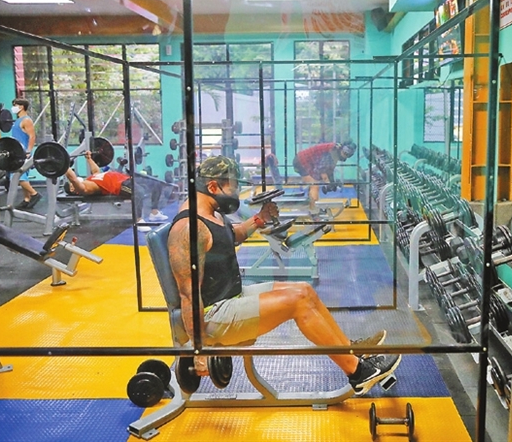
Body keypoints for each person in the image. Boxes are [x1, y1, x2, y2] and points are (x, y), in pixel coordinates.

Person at [168, 155, 400, 396]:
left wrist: (259, 219)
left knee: (304, 291)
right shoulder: (189, 228)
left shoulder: (209, 213)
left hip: (231, 297)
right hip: (213, 316)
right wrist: (199, 349)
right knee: (298, 303)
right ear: (213, 187)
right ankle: (358, 373)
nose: (235, 193)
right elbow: (188, 295)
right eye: (233, 187)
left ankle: (348, 348)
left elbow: (231, 235)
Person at [63, 152, 169, 232]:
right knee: (139, 192)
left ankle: (154, 213)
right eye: (71, 184)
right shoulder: (84, 188)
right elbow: (73, 179)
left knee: (157, 184)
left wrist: (89, 159)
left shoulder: (90, 179)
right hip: (120, 186)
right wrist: (64, 165)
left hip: (125, 178)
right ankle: (138, 220)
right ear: (73, 189)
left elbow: (96, 171)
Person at [292, 140, 356, 213]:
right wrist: (328, 183)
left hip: (302, 160)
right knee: (314, 186)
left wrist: (332, 183)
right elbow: (323, 171)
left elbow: (329, 169)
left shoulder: (336, 149)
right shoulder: (332, 152)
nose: (345, 156)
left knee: (313, 185)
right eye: (345, 154)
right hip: (301, 161)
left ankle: (310, 206)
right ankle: (314, 211)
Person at [9, 98, 42, 209]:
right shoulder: (18, 120)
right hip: (16, 151)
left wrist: (28, 151)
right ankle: (27, 199)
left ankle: (34, 194)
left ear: (21, 106)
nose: (13, 107)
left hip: (23, 152)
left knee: (18, 176)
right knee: (23, 176)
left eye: (15, 105)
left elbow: (32, 136)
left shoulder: (26, 120)